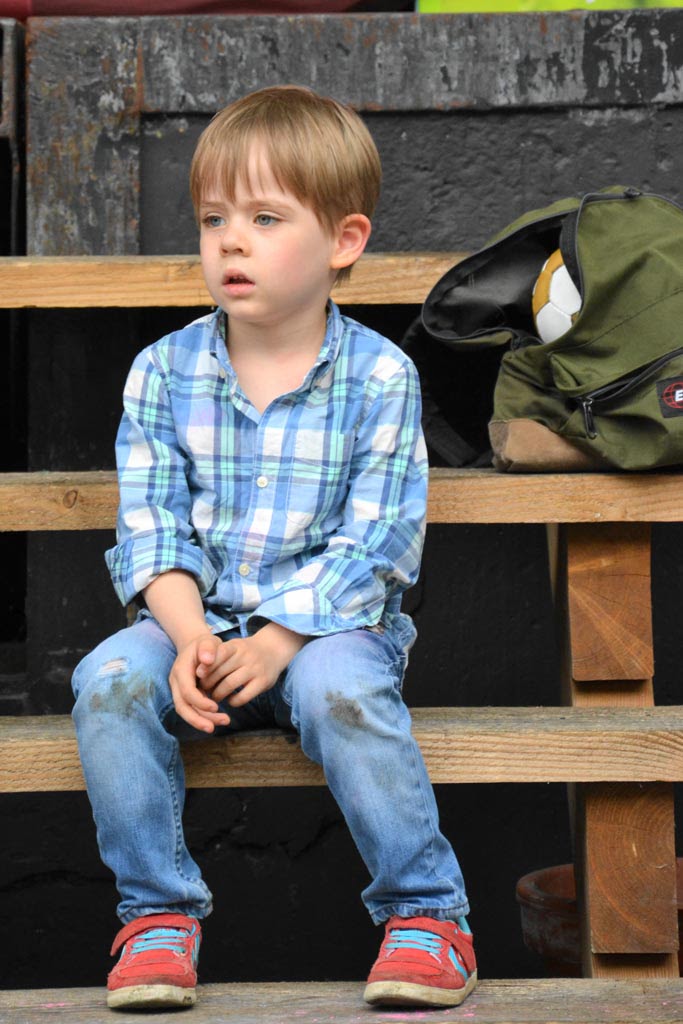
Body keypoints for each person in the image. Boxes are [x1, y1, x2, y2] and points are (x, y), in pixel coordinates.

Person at [71, 84, 476, 1012]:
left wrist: (281, 638)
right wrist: (188, 638)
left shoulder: (379, 375)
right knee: (106, 684)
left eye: (263, 218)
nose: (231, 242)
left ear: (343, 241)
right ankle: (155, 914)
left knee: (342, 694)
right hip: (196, 622)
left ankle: (425, 914)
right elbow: (152, 526)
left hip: (329, 629)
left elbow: (378, 539)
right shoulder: (163, 371)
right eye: (213, 219)